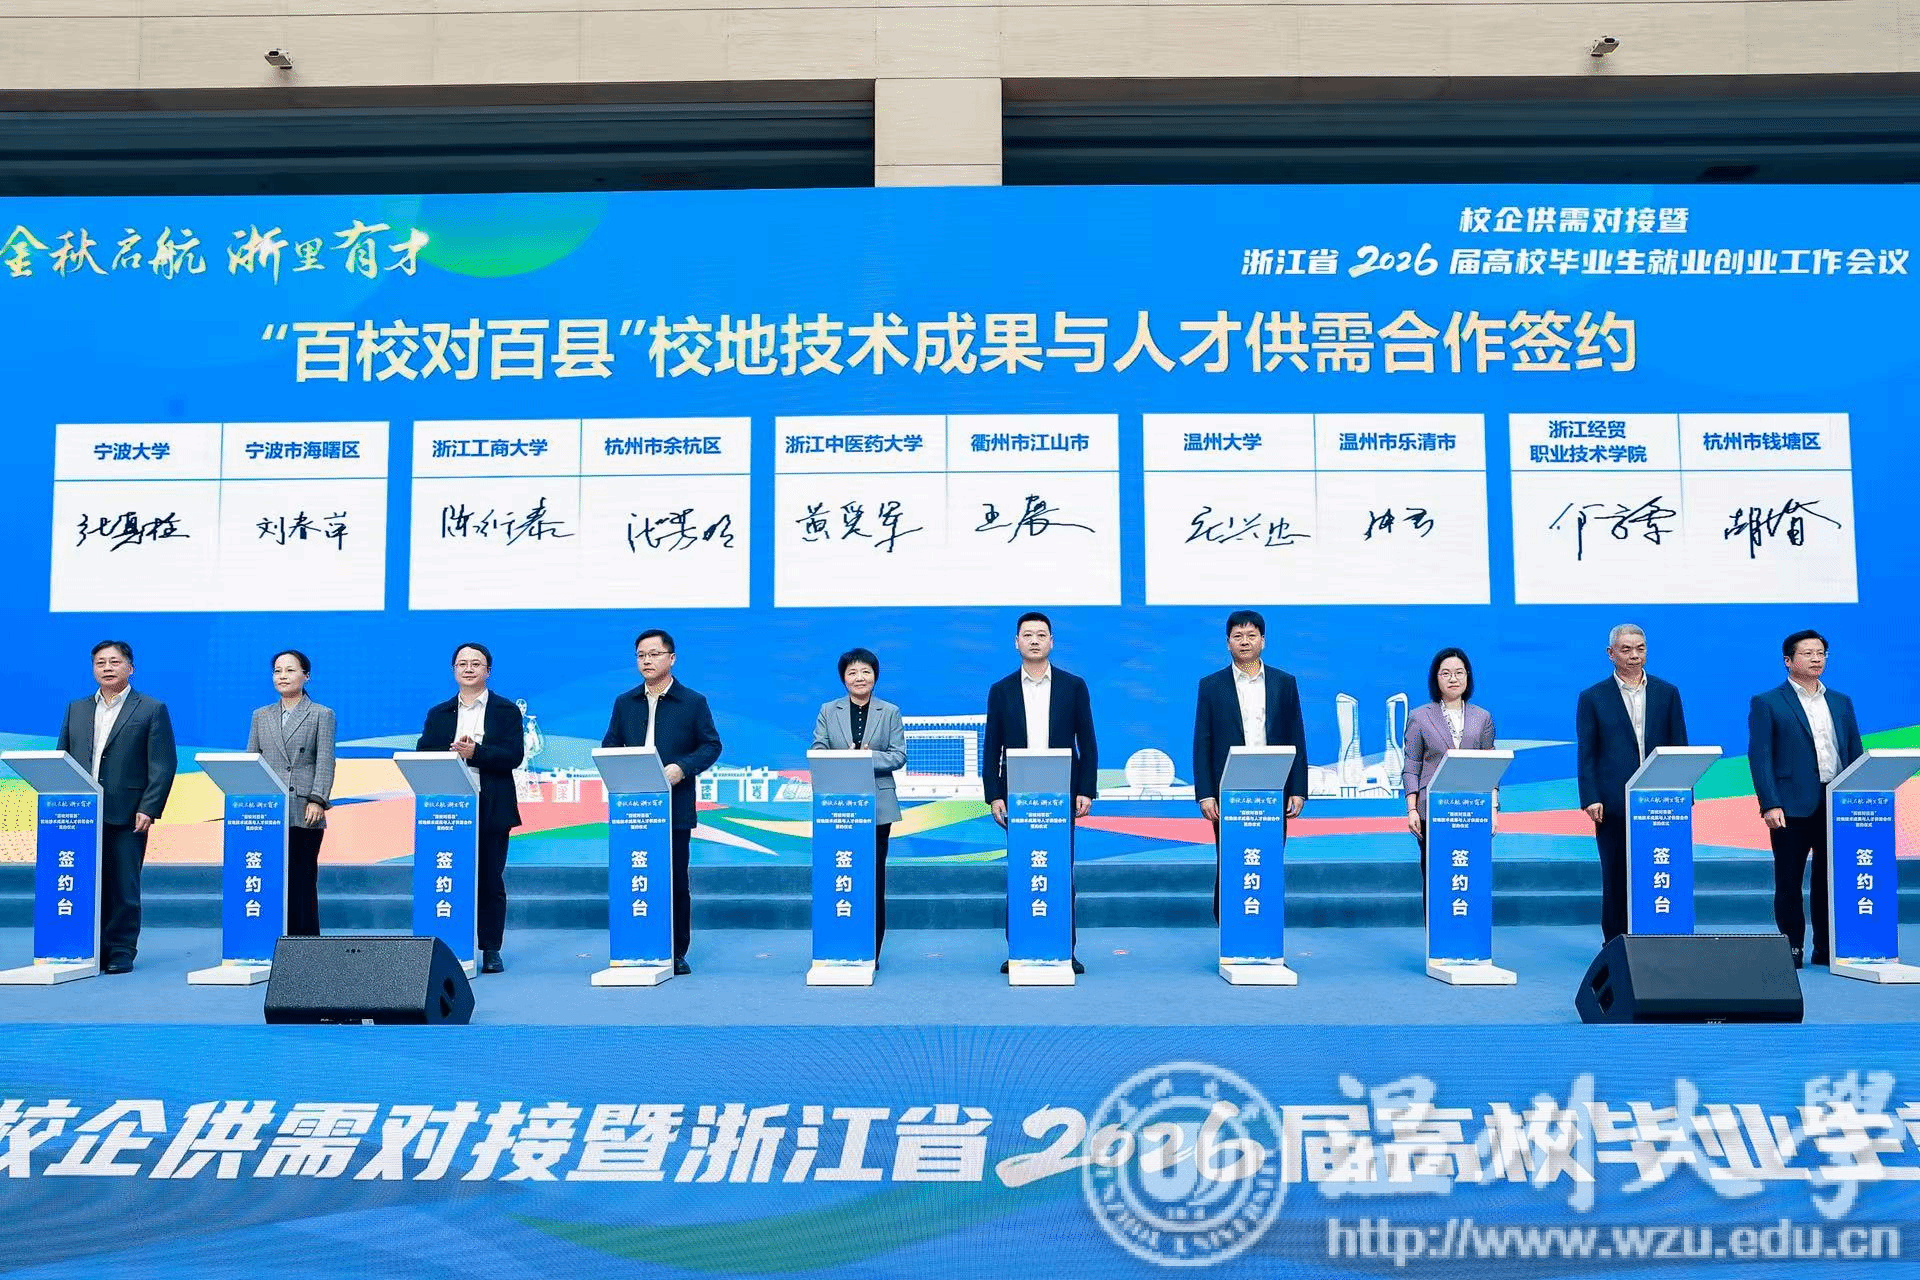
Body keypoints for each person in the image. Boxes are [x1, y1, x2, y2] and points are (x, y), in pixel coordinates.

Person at [602, 628, 722, 975]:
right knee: (635, 875)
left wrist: (682, 768)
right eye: (641, 655)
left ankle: (676, 950)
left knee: (674, 879)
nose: (647, 661)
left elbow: (711, 745)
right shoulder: (625, 702)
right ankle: (635, 943)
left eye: (654, 654)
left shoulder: (693, 702)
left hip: (674, 806)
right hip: (632, 809)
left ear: (671, 658)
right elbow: (610, 744)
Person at [984, 611, 1098, 974]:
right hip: (1017, 794)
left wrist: (1086, 789)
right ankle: (1019, 947)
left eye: (1041, 634)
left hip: (1061, 792)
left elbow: (1088, 742)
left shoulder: (1073, 686)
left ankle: (1065, 948)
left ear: (1051, 642)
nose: (1034, 640)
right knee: (1022, 870)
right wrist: (994, 794)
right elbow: (992, 747)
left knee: (1061, 870)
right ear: (1016, 642)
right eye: (1028, 635)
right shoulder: (1001, 690)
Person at [55, 640, 177, 974]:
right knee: (86, 882)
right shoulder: (76, 709)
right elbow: (63, 757)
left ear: (130, 668)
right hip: (81, 814)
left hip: (128, 812)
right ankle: (93, 946)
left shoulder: (151, 708)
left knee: (124, 887)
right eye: (100, 662)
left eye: (114, 661)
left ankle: (121, 950)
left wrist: (149, 807)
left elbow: (163, 764)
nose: (107, 668)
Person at [1747, 629, 1862, 968]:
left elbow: (1853, 751)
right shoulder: (1768, 702)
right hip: (1790, 806)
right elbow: (1760, 756)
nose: (1816, 659)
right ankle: (1792, 947)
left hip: (1834, 803)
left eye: (1821, 653)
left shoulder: (1841, 702)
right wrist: (1770, 803)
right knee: (1789, 880)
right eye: (1808, 653)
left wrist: (1857, 796)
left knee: (1830, 879)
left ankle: (1825, 947)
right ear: (1788, 660)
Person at [1192, 609, 1309, 921]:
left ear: (1263, 641)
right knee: (1230, 857)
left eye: (1251, 635)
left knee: (1268, 856)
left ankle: (1264, 923)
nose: (1245, 641)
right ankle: (1229, 923)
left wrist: (1298, 789)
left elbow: (1296, 736)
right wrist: (1205, 793)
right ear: (1228, 642)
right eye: (1238, 636)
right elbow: (1202, 741)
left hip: (1273, 786)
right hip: (1228, 787)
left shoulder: (1284, 683)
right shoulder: (1212, 685)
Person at [1575, 623, 1688, 943]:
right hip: (1613, 802)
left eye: (1640, 648)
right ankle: (1615, 944)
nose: (1634, 655)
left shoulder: (1667, 693)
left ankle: (1661, 939)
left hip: (1661, 802)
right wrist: (1591, 796)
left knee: (1660, 870)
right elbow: (1587, 752)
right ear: (1611, 654)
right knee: (1616, 875)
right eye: (1626, 649)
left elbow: (1679, 746)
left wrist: (1684, 794)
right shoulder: (1593, 697)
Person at [417, 643, 524, 974]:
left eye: (475, 664)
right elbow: (423, 752)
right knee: (449, 875)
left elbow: (513, 756)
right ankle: (447, 945)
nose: (468, 668)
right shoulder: (439, 713)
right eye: (462, 663)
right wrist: (450, 754)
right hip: (447, 809)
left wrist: (476, 753)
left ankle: (490, 948)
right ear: (454, 670)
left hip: (491, 806)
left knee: (490, 879)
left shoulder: (505, 710)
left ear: (487, 671)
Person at [810, 647, 908, 958]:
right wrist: (846, 759)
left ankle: (871, 949)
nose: (859, 677)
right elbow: (818, 750)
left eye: (865, 671)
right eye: (852, 672)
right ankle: (840, 942)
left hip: (878, 807)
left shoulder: (889, 712)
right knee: (841, 873)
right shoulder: (829, 710)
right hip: (838, 808)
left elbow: (898, 756)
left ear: (875, 676)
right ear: (843, 678)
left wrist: (866, 758)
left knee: (873, 877)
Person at [247, 649, 337, 937]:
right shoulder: (261, 715)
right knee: (270, 877)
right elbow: (252, 761)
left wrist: (317, 799)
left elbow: (325, 760)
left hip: (304, 808)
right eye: (277, 671)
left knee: (302, 879)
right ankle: (271, 939)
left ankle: (305, 944)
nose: (282, 676)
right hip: (269, 810)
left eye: (290, 670)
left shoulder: (321, 714)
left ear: (306, 676)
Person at [1400, 647, 1498, 908]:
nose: (1453, 679)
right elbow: (1411, 766)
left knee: (1470, 874)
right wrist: (1412, 809)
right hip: (1432, 810)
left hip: (1472, 809)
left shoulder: (1482, 717)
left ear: (1468, 676)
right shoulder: (1419, 717)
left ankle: (1467, 931)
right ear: (1436, 678)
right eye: (1446, 673)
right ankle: (1436, 934)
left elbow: (1491, 766)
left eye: (1459, 672)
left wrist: (1493, 809)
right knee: (1437, 878)